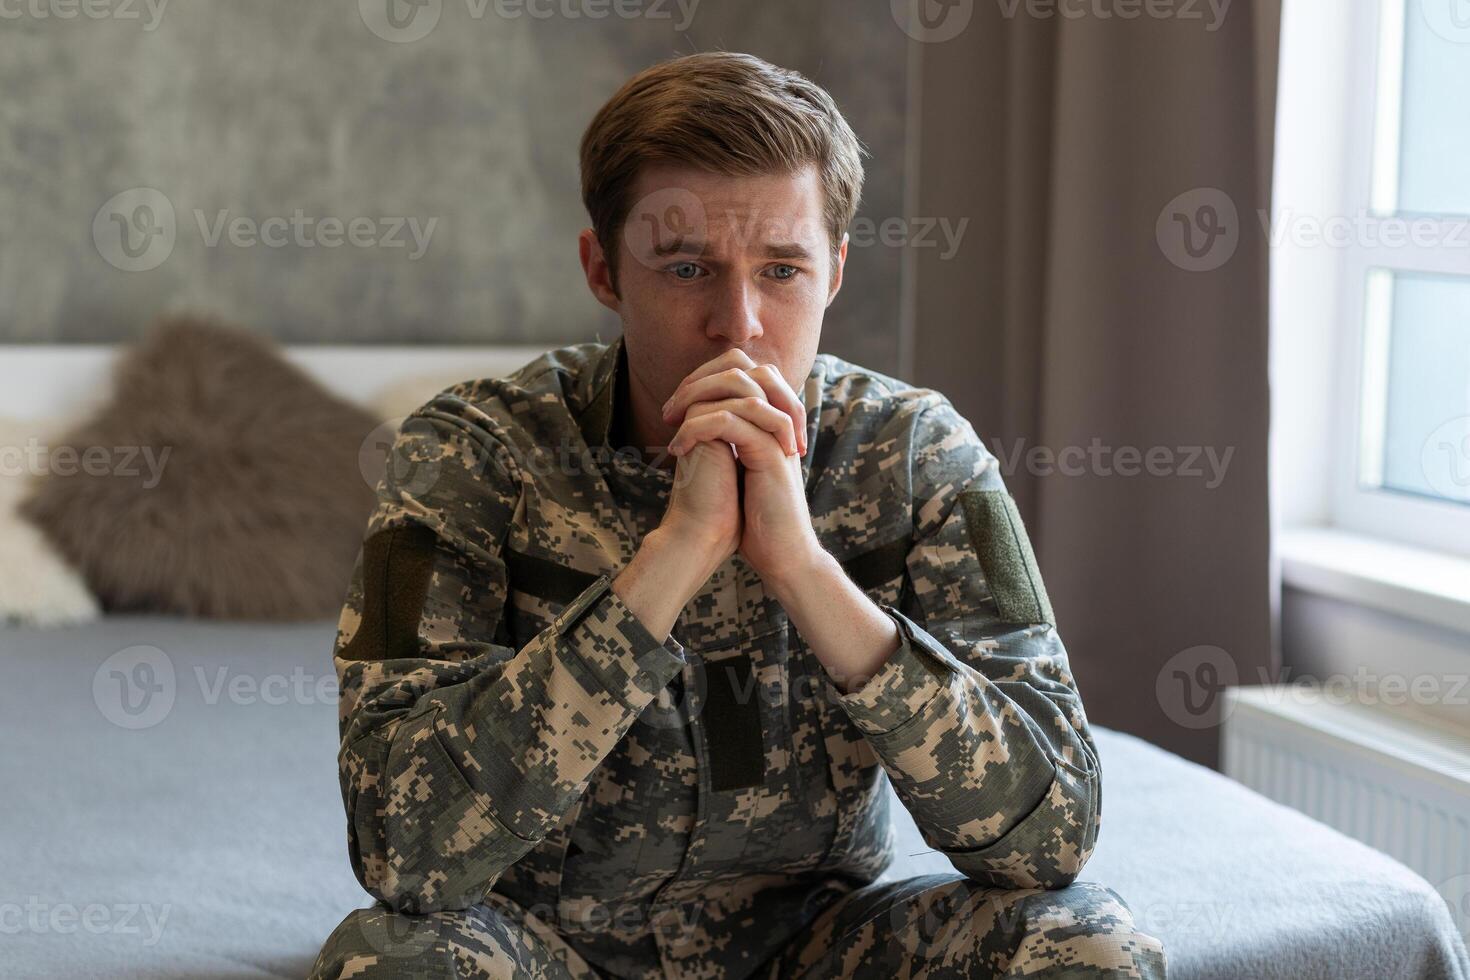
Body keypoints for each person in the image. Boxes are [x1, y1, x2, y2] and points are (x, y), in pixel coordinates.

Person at [310, 50, 1165, 980]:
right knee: (389, 964)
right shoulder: (472, 454)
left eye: (783, 271)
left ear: (836, 272)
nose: (740, 325)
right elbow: (406, 852)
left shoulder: (917, 456)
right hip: (550, 952)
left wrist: (802, 569)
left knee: (1088, 946)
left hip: (827, 951)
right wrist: (674, 556)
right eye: (686, 268)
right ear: (604, 269)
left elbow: (1051, 837)